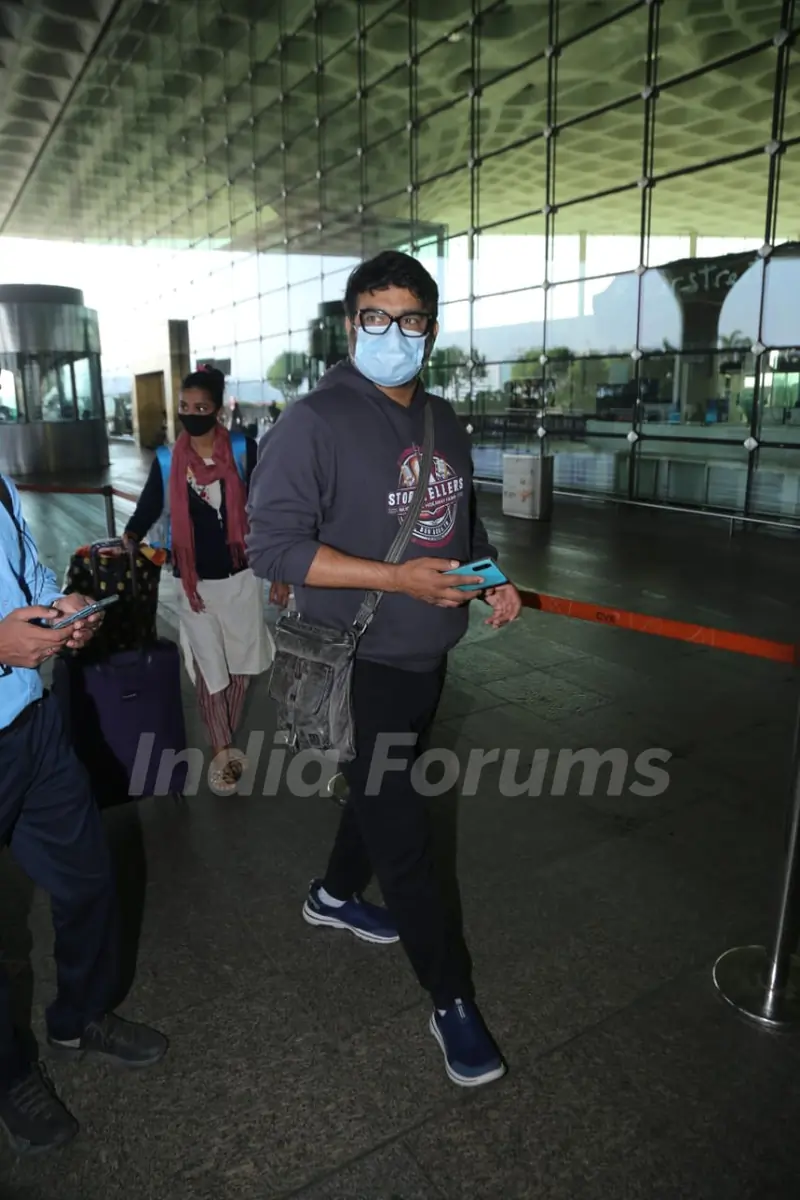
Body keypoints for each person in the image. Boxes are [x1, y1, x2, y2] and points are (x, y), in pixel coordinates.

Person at [247, 250, 521, 1088]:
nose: (392, 334)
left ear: (430, 331)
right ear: (349, 324)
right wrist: (395, 578)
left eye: (409, 320)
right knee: (406, 837)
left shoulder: (445, 420)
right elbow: (272, 548)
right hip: (358, 663)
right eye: (376, 318)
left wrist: (492, 574)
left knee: (376, 791)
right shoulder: (315, 421)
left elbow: (455, 526)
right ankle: (452, 999)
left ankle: (332, 896)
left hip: (426, 659)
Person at [0, 475, 167, 1155]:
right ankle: (10, 1075)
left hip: (27, 727)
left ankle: (80, 1015)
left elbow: (26, 572)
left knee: (89, 877)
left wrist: (59, 607)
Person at [124, 367, 281, 794]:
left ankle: (222, 734)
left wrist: (284, 569)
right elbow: (147, 508)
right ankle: (222, 749)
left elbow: (270, 509)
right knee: (211, 670)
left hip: (241, 579)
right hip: (192, 585)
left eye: (201, 408)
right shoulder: (168, 460)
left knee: (242, 669)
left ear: (217, 410)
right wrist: (131, 536)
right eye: (184, 408)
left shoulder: (243, 451)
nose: (190, 415)